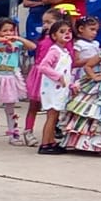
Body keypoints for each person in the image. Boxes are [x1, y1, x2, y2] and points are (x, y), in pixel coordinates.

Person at [0, 18, 34, 146]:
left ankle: (13, 133)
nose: (9, 33)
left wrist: (18, 38)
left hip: (11, 77)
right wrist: (4, 39)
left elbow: (32, 46)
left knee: (10, 108)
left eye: (11, 30)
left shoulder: (17, 44)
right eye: (5, 30)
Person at [23, 7, 70, 146]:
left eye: (49, 22)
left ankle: (50, 136)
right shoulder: (45, 39)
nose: (45, 25)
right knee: (34, 106)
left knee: (53, 108)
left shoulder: (62, 43)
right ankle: (28, 131)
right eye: (44, 22)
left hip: (52, 77)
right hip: (39, 74)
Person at [36, 20, 75, 154]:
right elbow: (43, 67)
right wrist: (57, 77)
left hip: (60, 89)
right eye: (62, 32)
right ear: (54, 36)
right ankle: (45, 144)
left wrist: (70, 84)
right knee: (51, 117)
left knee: (55, 116)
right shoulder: (54, 51)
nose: (67, 34)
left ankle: (51, 141)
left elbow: (66, 72)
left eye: (69, 31)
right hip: (52, 89)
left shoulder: (65, 51)